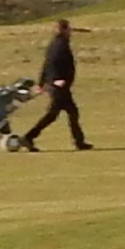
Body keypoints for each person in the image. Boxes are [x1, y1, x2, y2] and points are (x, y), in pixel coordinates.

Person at [21, 18, 92, 152]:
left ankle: (79, 141)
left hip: (59, 85)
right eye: (68, 29)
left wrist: (42, 83)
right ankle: (28, 137)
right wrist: (55, 80)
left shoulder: (58, 43)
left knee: (71, 112)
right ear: (64, 30)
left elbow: (46, 64)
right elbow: (52, 63)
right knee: (53, 115)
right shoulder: (60, 45)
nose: (71, 32)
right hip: (58, 86)